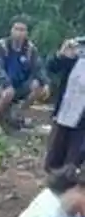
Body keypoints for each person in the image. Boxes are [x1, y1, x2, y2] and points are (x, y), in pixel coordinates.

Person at [0, 17, 47, 131]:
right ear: (11, 30)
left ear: (27, 33)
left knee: (38, 86)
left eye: (22, 30)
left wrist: (45, 83)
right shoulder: (2, 46)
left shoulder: (30, 49)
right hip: (0, 84)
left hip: (21, 85)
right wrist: (7, 84)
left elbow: (38, 67)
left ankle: (18, 113)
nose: (19, 33)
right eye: (16, 29)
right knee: (8, 94)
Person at [46, 39, 85, 171]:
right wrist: (61, 55)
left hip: (83, 123)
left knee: (72, 166)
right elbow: (52, 67)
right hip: (65, 112)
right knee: (52, 162)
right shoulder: (78, 46)